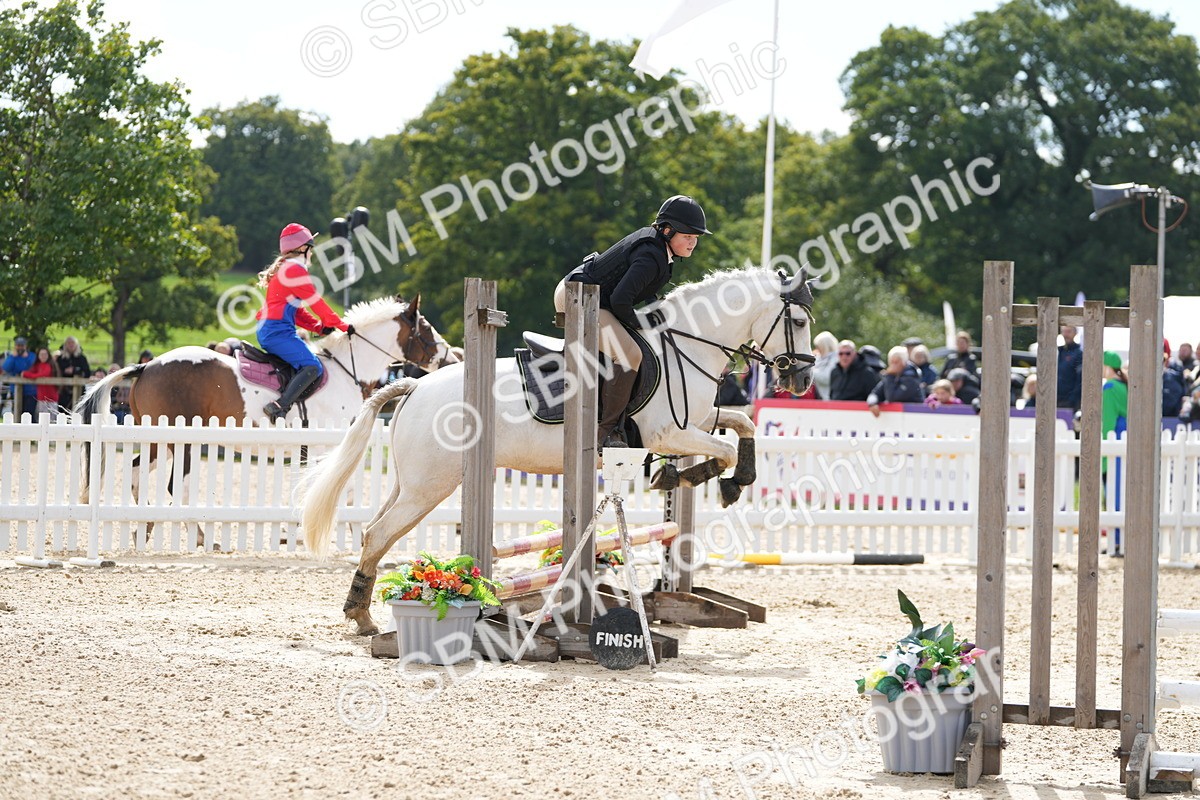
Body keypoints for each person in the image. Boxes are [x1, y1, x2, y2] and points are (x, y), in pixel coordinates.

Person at [555, 195, 709, 447]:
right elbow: (620, 301)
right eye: (687, 236)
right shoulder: (651, 256)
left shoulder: (660, 250)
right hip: (578, 297)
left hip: (594, 298)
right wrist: (643, 324)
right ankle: (606, 431)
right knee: (629, 354)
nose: (693, 242)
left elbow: (643, 294)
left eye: (696, 237)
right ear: (667, 230)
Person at [255, 223, 352, 422]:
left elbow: (297, 312)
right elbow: (316, 302)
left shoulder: (287, 268)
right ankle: (279, 407)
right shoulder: (294, 270)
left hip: (272, 330)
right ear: (302, 249)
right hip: (277, 332)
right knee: (312, 366)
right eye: (311, 248)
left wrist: (318, 326)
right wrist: (344, 326)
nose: (312, 253)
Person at [1101, 351, 1128, 556]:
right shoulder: (1124, 386)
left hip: (1114, 446)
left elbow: (1107, 423)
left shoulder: (1109, 387)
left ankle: (1117, 541)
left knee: (1114, 495)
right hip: (1125, 445)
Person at [866, 346, 925, 416]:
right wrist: (872, 403)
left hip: (913, 416)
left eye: (896, 362)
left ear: (904, 362)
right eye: (891, 362)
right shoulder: (892, 377)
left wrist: (890, 376)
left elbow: (892, 398)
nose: (893, 365)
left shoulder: (911, 377)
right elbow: (875, 393)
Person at [22, 346, 60, 420]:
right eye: (41, 354)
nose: (43, 356)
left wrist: (26, 374)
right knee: (40, 420)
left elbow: (43, 374)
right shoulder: (37, 365)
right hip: (41, 398)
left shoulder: (49, 365)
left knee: (51, 421)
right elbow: (32, 372)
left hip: (50, 399)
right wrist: (27, 374)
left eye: (45, 354)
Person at [3, 336, 36, 415]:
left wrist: (26, 358)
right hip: (15, 389)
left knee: (29, 413)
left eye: (22, 346)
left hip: (30, 391)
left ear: (25, 346)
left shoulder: (31, 356)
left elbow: (33, 368)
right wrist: (13, 358)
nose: (20, 348)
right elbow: (6, 368)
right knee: (16, 412)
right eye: (18, 345)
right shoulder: (12, 357)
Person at [55, 335, 91, 409]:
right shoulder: (61, 358)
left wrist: (75, 370)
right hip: (64, 390)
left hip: (79, 389)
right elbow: (57, 371)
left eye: (73, 343)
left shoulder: (81, 358)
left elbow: (87, 372)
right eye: (69, 343)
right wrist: (65, 371)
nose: (71, 345)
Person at [1057, 324, 1083, 411]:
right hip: (1054, 399)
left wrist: (1072, 399)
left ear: (1075, 333)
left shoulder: (1079, 353)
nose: (1066, 334)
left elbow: (1080, 379)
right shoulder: (1058, 351)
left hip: (1070, 402)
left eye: (1069, 332)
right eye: (1064, 331)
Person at [811, 330, 839, 400]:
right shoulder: (819, 358)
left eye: (819, 346)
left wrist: (811, 371)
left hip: (831, 397)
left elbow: (827, 377)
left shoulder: (836, 357)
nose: (817, 348)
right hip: (819, 396)